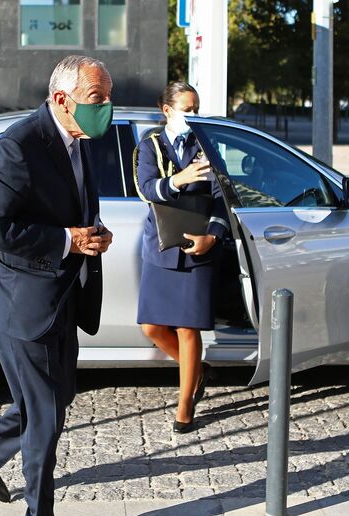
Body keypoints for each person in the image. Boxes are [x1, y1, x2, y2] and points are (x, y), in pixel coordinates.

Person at [0, 56, 114, 516]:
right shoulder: (20, 145)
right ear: (63, 99)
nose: (106, 108)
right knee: (45, 417)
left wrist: (94, 234)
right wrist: (66, 240)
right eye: (98, 99)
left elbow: (73, 209)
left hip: (64, 297)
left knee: (56, 397)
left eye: (108, 98)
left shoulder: (79, 140)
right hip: (24, 303)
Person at [132, 81, 229, 434]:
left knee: (188, 328)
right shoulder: (149, 145)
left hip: (198, 247)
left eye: (196, 108)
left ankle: (185, 404)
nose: (193, 115)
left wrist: (212, 236)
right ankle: (197, 371)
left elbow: (221, 198)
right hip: (161, 245)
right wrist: (180, 179)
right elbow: (146, 188)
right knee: (152, 327)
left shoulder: (206, 144)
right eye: (187, 109)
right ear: (167, 110)